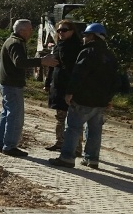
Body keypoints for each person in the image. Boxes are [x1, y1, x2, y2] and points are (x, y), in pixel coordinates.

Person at [49, 23, 119, 169]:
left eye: (86, 35)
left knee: (73, 128)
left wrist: (69, 92)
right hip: (100, 101)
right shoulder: (110, 55)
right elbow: (115, 79)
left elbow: (78, 75)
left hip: (83, 99)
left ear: (92, 36)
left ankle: (67, 158)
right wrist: (109, 98)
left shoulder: (87, 52)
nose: (84, 38)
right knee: (95, 131)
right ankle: (92, 159)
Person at [0, 19, 59, 157]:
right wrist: (42, 61)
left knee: (6, 114)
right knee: (15, 117)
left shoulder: (12, 41)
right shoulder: (16, 43)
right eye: (30, 29)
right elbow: (19, 62)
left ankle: (2, 143)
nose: (32, 32)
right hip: (12, 85)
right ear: (22, 31)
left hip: (7, 84)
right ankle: (9, 146)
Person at [43, 20, 83, 153]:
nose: (61, 33)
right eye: (59, 30)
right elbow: (52, 65)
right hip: (58, 86)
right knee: (60, 117)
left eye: (64, 30)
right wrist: (47, 83)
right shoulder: (58, 46)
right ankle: (60, 142)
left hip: (71, 87)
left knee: (74, 120)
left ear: (72, 31)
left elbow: (76, 71)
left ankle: (76, 148)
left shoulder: (77, 48)